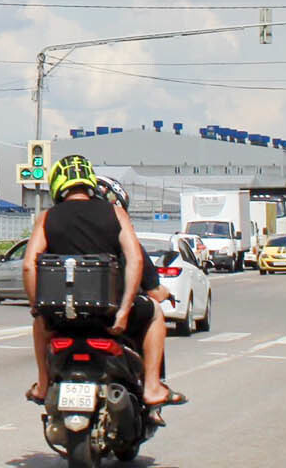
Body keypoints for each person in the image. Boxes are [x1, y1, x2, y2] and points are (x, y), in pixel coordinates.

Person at [24, 154, 179, 410]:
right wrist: (124, 311)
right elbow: (135, 260)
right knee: (154, 314)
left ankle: (42, 384)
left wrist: (39, 310)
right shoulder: (116, 214)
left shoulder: (47, 217)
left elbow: (29, 265)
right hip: (109, 316)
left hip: (62, 317)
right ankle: (152, 387)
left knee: (37, 323)